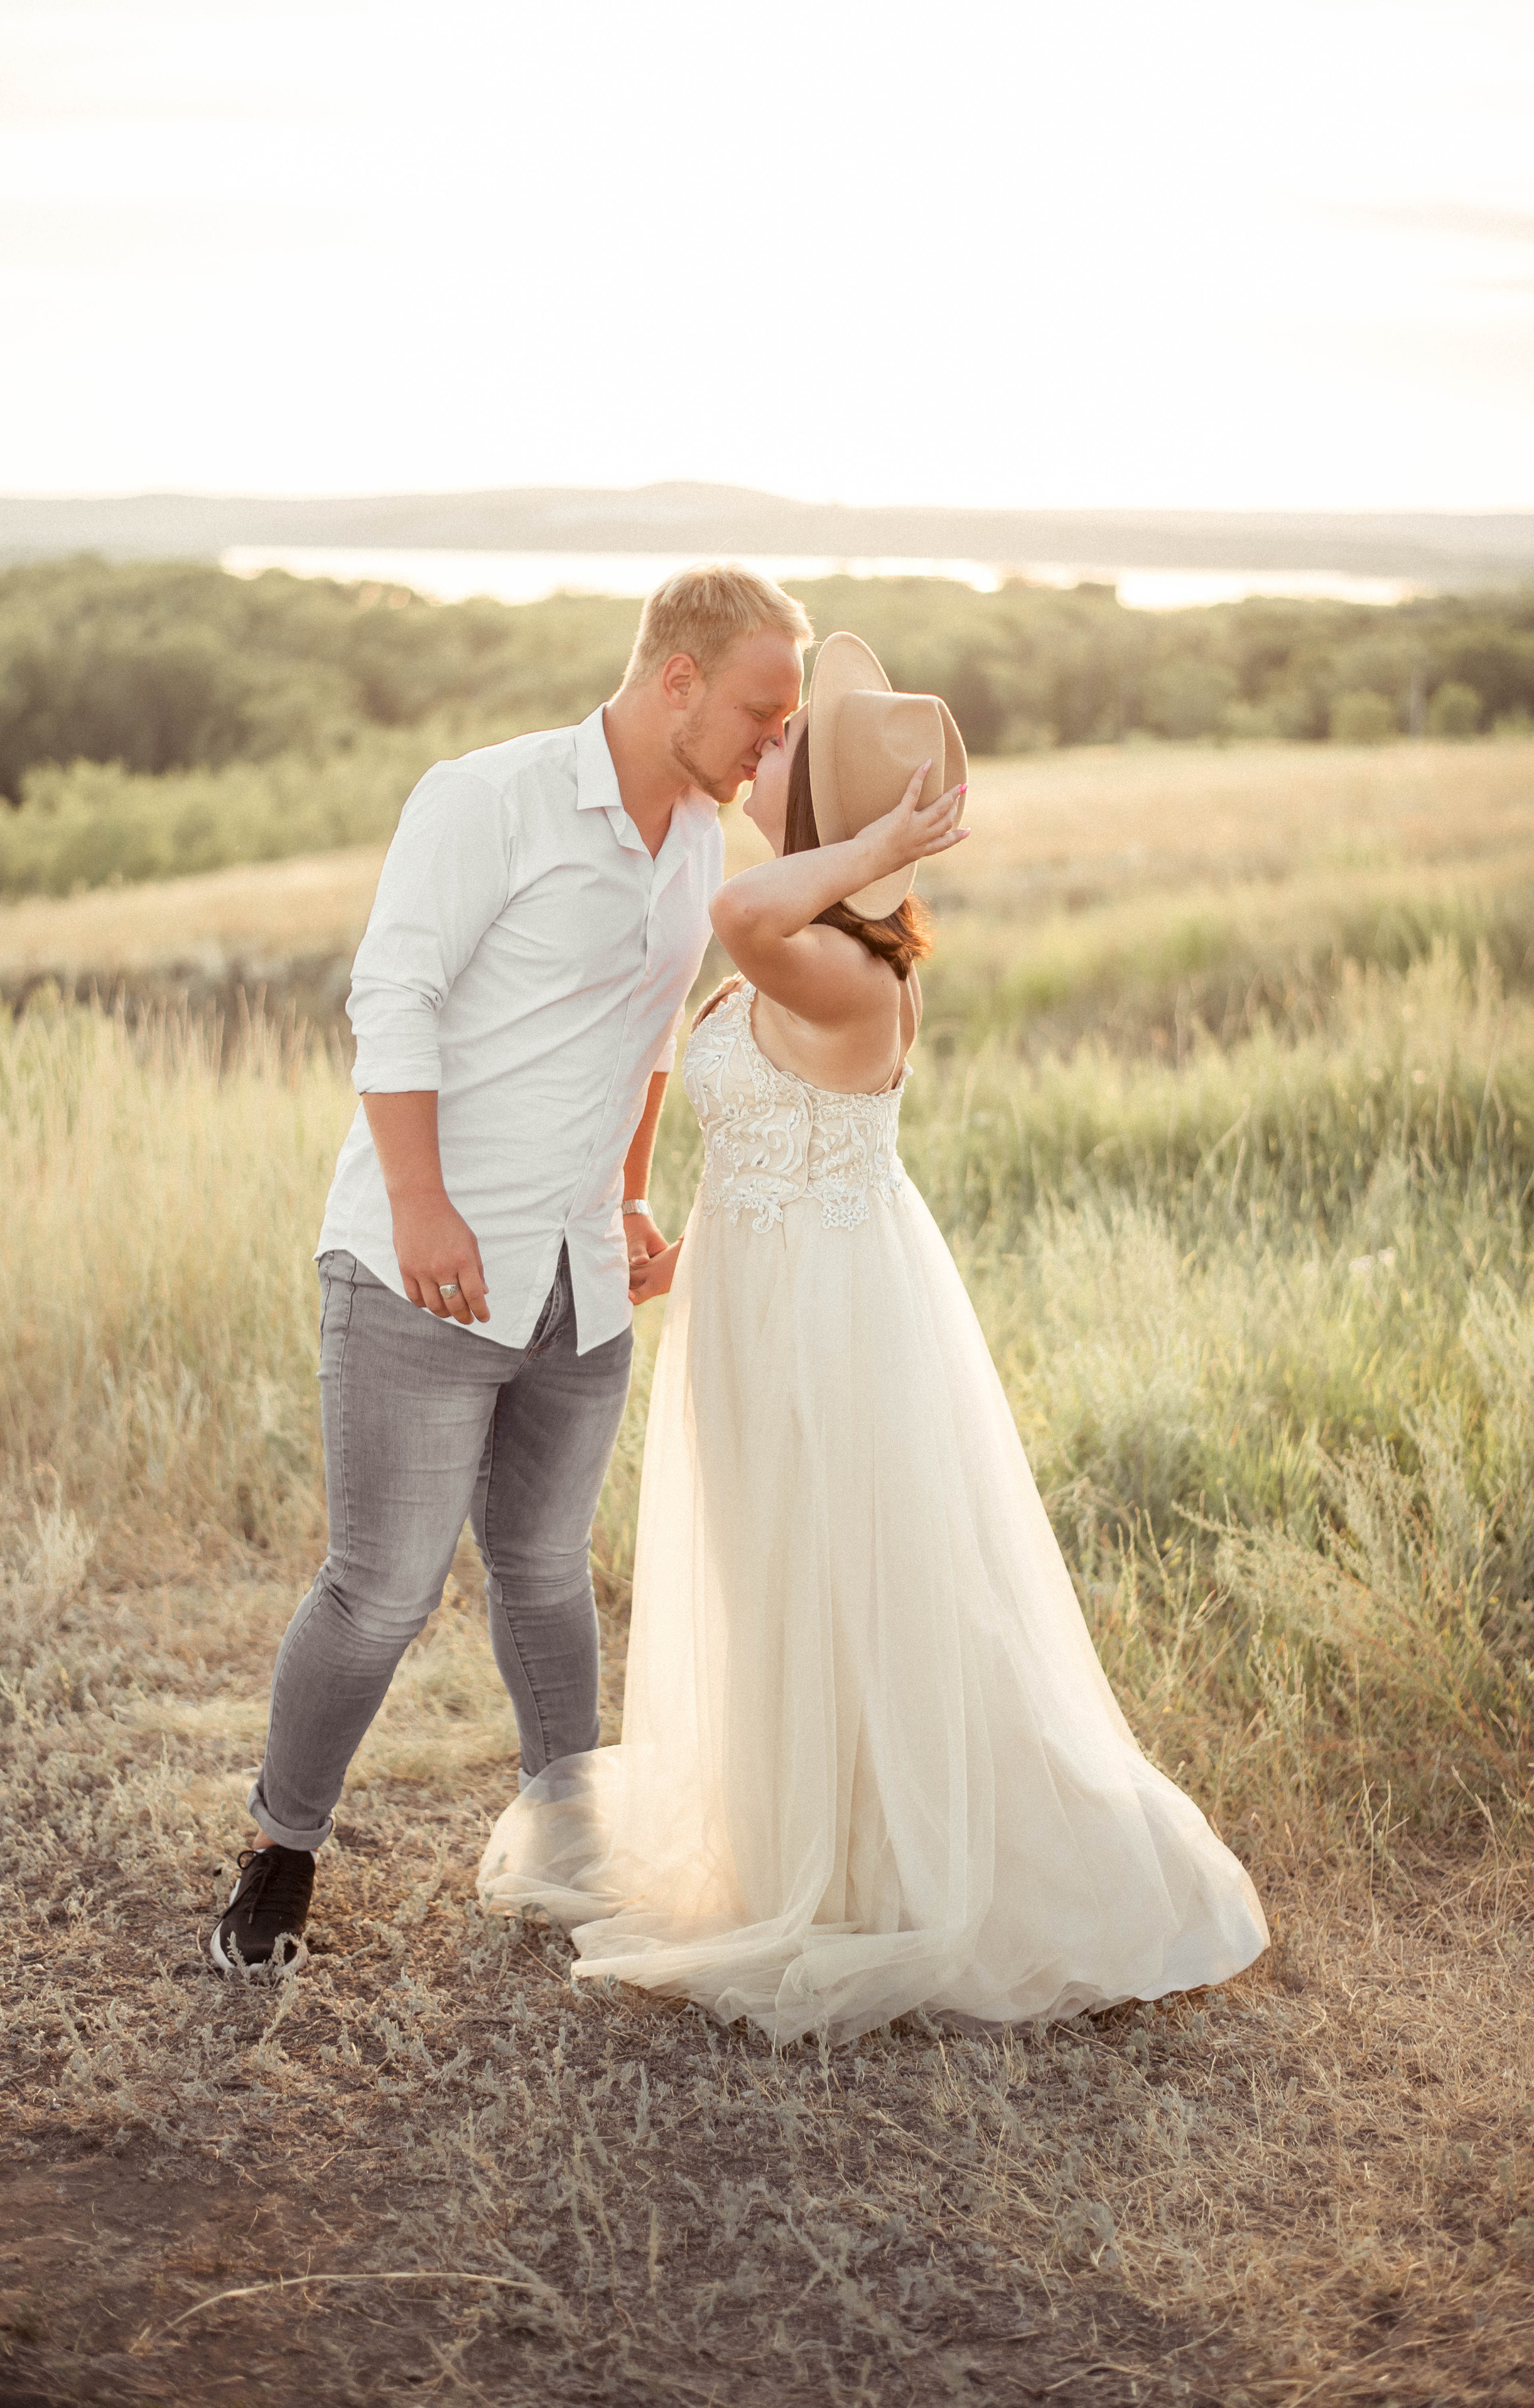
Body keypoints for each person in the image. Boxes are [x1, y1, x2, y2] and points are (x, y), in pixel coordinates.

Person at [478, 632, 1268, 2041]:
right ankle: (802, 1833)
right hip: (759, 1293)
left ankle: (883, 1862)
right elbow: (703, 1025)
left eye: (784, 746)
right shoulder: (808, 946)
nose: (760, 744)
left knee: (845, 1563)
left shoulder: (838, 969)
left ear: (817, 820)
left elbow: (730, 918)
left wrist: (867, 841)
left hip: (825, 1315)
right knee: (778, 1564)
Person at [210, 565, 811, 1973]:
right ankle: (277, 1853)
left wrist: (626, 1194)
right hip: (424, 1270)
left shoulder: (697, 843)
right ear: (675, 677)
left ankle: (573, 1849)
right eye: (758, 715)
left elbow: (647, 1035)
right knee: (381, 1590)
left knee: (542, 1570)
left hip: (579, 1284)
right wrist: (419, 1204)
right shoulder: (487, 798)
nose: (770, 748)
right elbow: (392, 994)